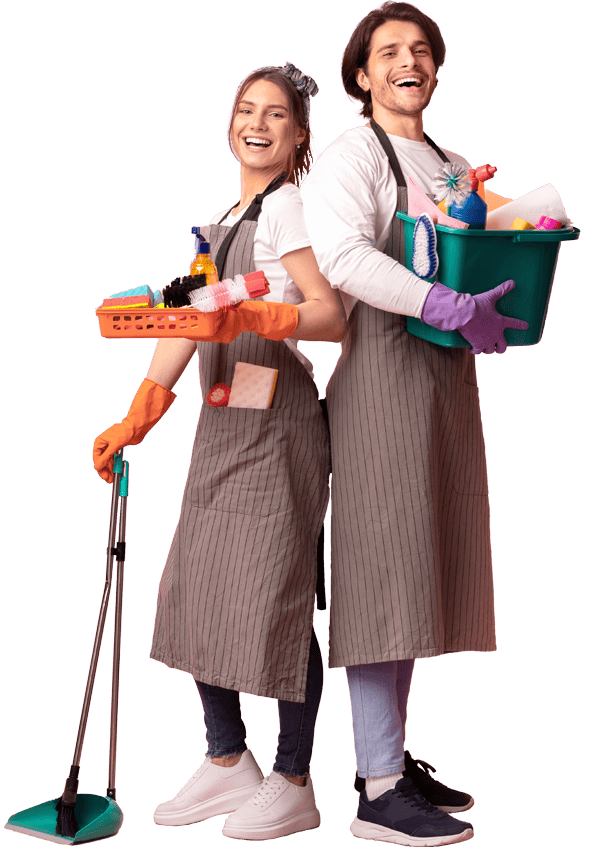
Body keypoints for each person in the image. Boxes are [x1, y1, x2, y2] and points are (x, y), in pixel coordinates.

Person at [93, 61, 346, 842]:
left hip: (278, 428)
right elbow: (186, 322)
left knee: (275, 598)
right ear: (229, 124)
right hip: (223, 423)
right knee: (197, 587)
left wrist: (259, 318)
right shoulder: (220, 219)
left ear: (300, 136)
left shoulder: (291, 206)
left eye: (277, 114)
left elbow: (329, 313)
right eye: (247, 109)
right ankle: (226, 758)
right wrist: (138, 413)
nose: (258, 123)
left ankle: (293, 781)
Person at [301, 2, 528, 846]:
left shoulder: (453, 162)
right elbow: (343, 257)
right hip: (381, 381)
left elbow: (476, 254)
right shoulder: (355, 156)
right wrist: (440, 302)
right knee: (380, 578)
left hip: (446, 382)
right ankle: (377, 792)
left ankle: (389, 760)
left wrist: (494, 294)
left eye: (422, 49)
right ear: (361, 76)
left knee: (420, 572)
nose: (410, 61)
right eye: (390, 50)